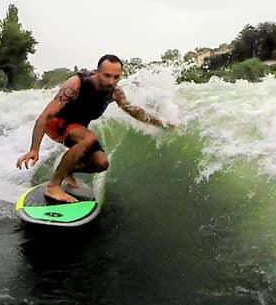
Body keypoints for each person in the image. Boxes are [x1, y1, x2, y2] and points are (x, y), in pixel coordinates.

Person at [16, 54, 171, 203]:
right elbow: (45, 116)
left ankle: (67, 169)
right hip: (57, 123)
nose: (111, 81)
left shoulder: (115, 92)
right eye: (107, 75)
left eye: (116, 77)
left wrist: (160, 123)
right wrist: (34, 149)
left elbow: (133, 111)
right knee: (89, 138)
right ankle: (53, 186)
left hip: (77, 128)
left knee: (101, 163)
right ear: (97, 72)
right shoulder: (76, 84)